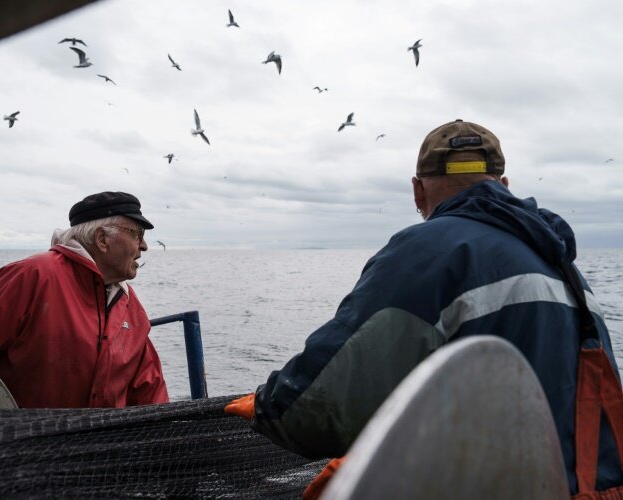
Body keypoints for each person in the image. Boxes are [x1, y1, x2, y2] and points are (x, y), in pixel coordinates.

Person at [226, 120, 622, 496]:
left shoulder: (430, 252)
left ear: (417, 191)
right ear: (504, 185)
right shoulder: (562, 265)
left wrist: (271, 406)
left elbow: (325, 405)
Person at [0, 191, 169, 408]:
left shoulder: (130, 305)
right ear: (102, 239)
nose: (144, 246)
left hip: (99, 443)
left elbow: (149, 389)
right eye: (137, 234)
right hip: (19, 440)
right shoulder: (32, 276)